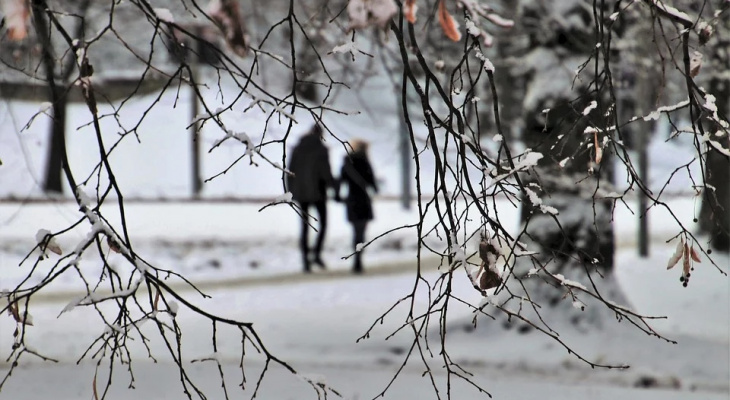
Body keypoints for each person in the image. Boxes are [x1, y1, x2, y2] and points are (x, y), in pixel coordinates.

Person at [286, 124, 334, 273]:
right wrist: (334, 186)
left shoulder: (297, 149)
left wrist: (291, 191)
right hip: (318, 193)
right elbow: (325, 172)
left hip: (301, 194)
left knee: (304, 227)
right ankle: (317, 254)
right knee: (323, 224)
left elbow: (290, 172)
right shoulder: (322, 150)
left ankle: (305, 260)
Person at [335, 139, 378, 274]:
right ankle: (358, 260)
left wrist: (337, 196)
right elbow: (372, 183)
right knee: (361, 232)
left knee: (355, 231)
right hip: (363, 200)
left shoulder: (347, 163)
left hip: (351, 200)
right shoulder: (365, 162)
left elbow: (340, 180)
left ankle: (356, 259)